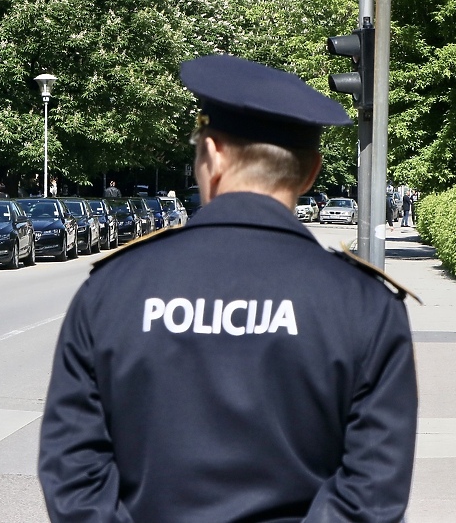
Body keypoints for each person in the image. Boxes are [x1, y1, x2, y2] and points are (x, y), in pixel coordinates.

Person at [39, 54, 418, 522]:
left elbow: (73, 472)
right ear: (311, 172)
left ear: (213, 155)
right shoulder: (366, 304)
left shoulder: (114, 288)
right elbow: (372, 493)